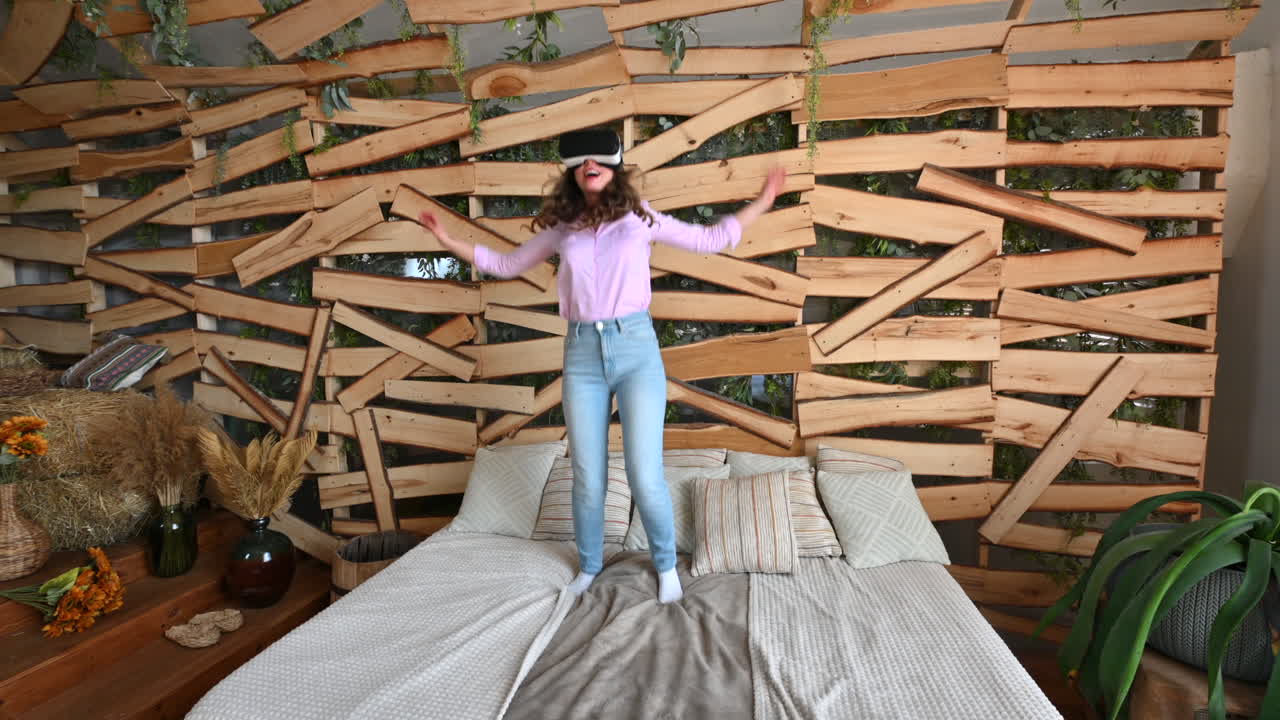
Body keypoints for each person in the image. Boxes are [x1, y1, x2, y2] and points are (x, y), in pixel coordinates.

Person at [418, 128, 785, 604]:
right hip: (582, 355)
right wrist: (446, 237)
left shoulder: (639, 218)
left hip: (635, 350)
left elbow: (709, 238)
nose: (590, 163)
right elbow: (506, 265)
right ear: (573, 171)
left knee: (643, 471)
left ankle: (666, 566)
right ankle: (590, 565)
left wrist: (764, 200)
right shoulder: (562, 230)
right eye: (581, 159)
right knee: (587, 473)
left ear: (613, 167)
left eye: (600, 158)